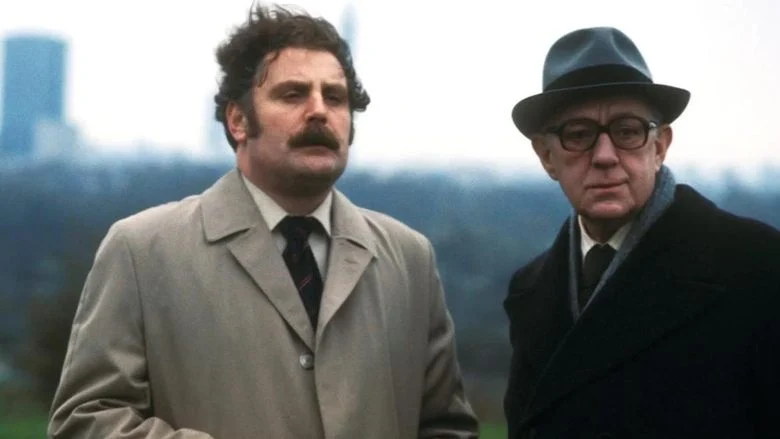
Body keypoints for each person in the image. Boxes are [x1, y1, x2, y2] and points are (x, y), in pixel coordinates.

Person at [48, 5, 478, 438]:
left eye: (335, 97)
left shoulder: (410, 258)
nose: (319, 111)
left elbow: (446, 427)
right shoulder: (141, 250)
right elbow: (86, 421)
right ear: (238, 120)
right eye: (293, 95)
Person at [503, 26, 780, 438]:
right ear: (546, 156)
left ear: (660, 146)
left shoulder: (758, 267)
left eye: (628, 131)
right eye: (577, 134)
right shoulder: (530, 290)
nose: (604, 156)